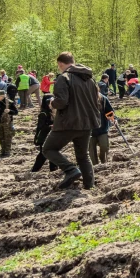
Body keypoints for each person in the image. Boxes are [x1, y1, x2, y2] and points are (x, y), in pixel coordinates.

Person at [43, 52, 100, 190]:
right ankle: (89, 185)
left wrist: (52, 103)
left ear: (60, 63)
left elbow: (62, 102)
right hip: (87, 122)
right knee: (83, 155)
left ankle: (70, 170)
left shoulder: (64, 78)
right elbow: (97, 100)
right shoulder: (90, 79)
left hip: (68, 123)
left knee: (48, 149)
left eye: (58, 65)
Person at [31, 94, 57, 172]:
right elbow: (40, 127)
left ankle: (53, 169)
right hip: (44, 137)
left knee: (53, 152)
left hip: (52, 136)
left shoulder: (53, 112)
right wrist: (50, 126)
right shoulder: (43, 114)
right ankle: (35, 170)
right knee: (43, 154)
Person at [89, 94, 115, 165]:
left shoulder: (103, 99)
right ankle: (95, 166)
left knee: (104, 147)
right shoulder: (82, 98)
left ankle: (103, 160)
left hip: (102, 129)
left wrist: (112, 118)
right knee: (91, 151)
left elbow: (108, 111)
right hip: (89, 130)